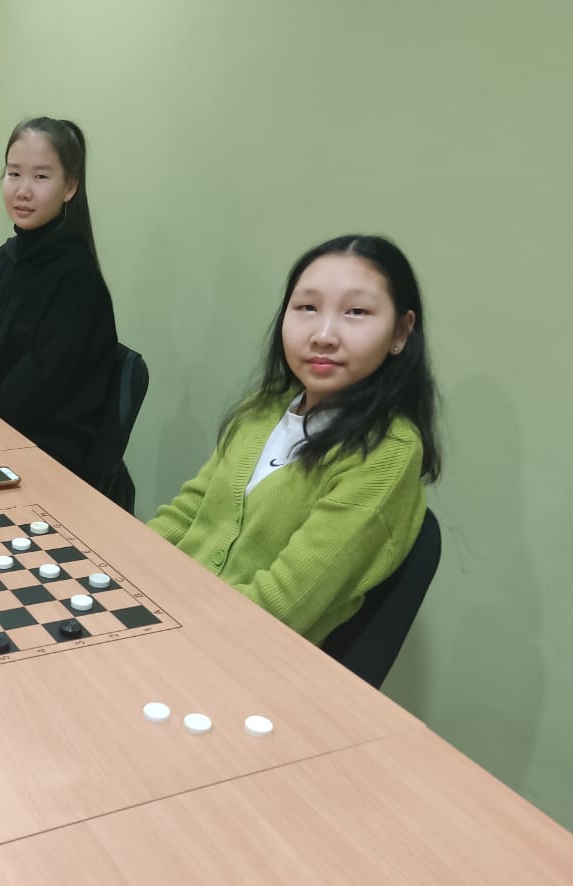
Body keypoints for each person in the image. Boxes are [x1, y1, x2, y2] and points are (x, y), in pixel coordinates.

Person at [147, 235, 441, 645]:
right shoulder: (263, 408)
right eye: (307, 308)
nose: (323, 334)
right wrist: (123, 570)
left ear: (401, 332)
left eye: (356, 312)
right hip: (167, 616)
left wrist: (168, 628)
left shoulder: (387, 452)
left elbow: (281, 604)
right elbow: (188, 512)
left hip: (237, 650)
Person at [0, 117, 117, 485]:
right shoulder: (5, 259)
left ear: (70, 187)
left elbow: (37, 389)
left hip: (43, 457)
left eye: (41, 177)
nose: (23, 190)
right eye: (14, 174)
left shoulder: (75, 277)